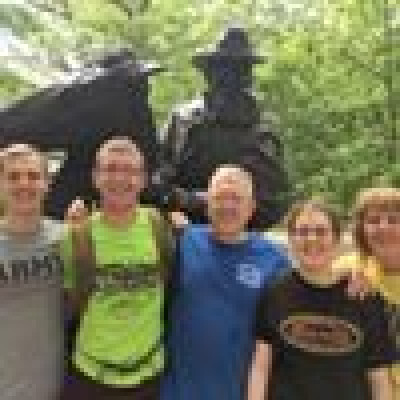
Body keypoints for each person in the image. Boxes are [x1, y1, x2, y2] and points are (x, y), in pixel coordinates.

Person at [160, 165, 292, 400]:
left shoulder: (275, 259)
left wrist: (351, 273)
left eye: (236, 198)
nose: (227, 206)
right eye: (220, 197)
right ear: (207, 204)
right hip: (177, 392)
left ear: (251, 207)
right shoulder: (181, 241)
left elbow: (312, 288)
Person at [247, 200, 397, 400]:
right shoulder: (275, 291)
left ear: (337, 239)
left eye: (321, 231)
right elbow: (261, 366)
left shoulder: (363, 295)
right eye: (302, 231)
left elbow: (378, 376)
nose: (312, 239)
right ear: (290, 240)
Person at [61, 136, 174, 399]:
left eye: (129, 170)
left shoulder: (159, 227)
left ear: (143, 179)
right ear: (96, 177)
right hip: (90, 378)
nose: (120, 179)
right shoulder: (76, 237)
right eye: (110, 169)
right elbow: (65, 302)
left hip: (149, 377)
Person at [0, 143, 65, 400]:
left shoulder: (67, 238)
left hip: (59, 387)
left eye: (33, 176)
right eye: (13, 176)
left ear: (47, 183)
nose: (24, 184)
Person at [337, 187, 400, 398]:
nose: (383, 227)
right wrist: (342, 275)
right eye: (373, 221)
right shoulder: (346, 269)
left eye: (394, 220)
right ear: (361, 229)